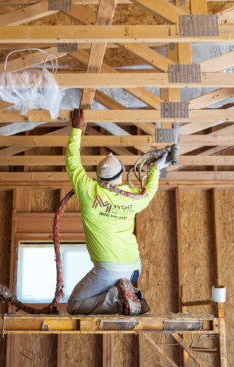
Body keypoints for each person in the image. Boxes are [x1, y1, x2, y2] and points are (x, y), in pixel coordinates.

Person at [65, 108, 169, 316]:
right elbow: (148, 193)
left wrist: (78, 129)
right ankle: (124, 294)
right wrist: (156, 168)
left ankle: (117, 297)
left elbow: (72, 163)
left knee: (74, 305)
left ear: (98, 177)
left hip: (115, 270)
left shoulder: (88, 191)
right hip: (132, 267)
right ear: (121, 176)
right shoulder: (132, 197)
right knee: (79, 304)